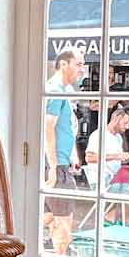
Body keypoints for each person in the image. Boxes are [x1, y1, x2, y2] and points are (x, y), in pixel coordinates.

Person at [43, 49, 85, 187]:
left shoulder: (63, 90)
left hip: (62, 163)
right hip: (57, 165)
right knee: (62, 209)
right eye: (78, 64)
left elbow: (66, 127)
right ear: (63, 64)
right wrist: (53, 167)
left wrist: (72, 156)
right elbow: (48, 129)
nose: (82, 70)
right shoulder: (56, 91)